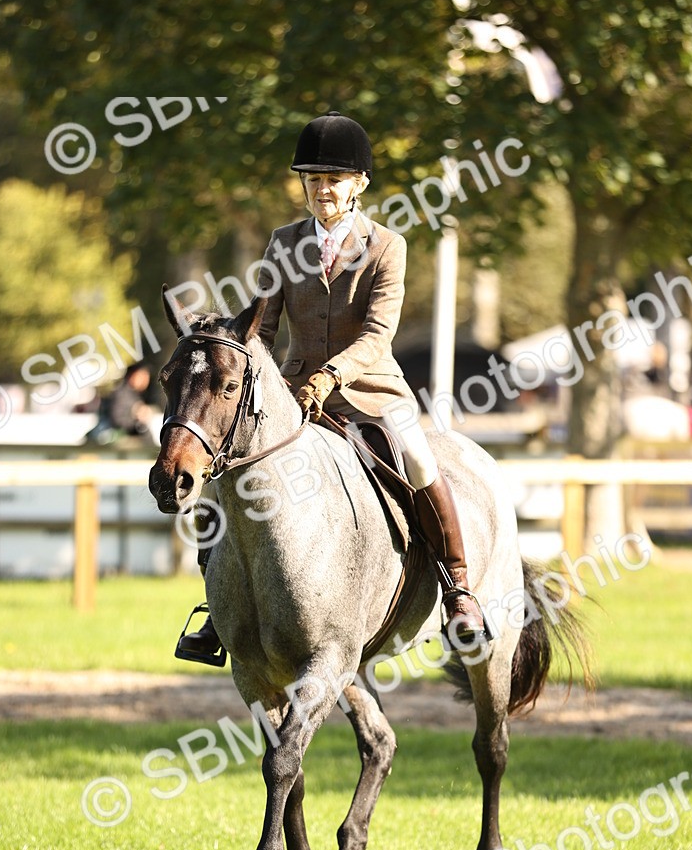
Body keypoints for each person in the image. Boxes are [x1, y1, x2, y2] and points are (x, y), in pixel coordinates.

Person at [177, 111, 487, 664]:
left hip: (369, 392)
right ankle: (218, 611)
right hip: (293, 396)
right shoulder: (282, 243)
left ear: (359, 186)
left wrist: (331, 375)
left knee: (418, 461)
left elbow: (377, 334)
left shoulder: (387, 246)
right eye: (313, 179)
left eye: (334, 179)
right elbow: (263, 329)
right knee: (226, 479)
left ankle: (458, 590)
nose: (323, 189)